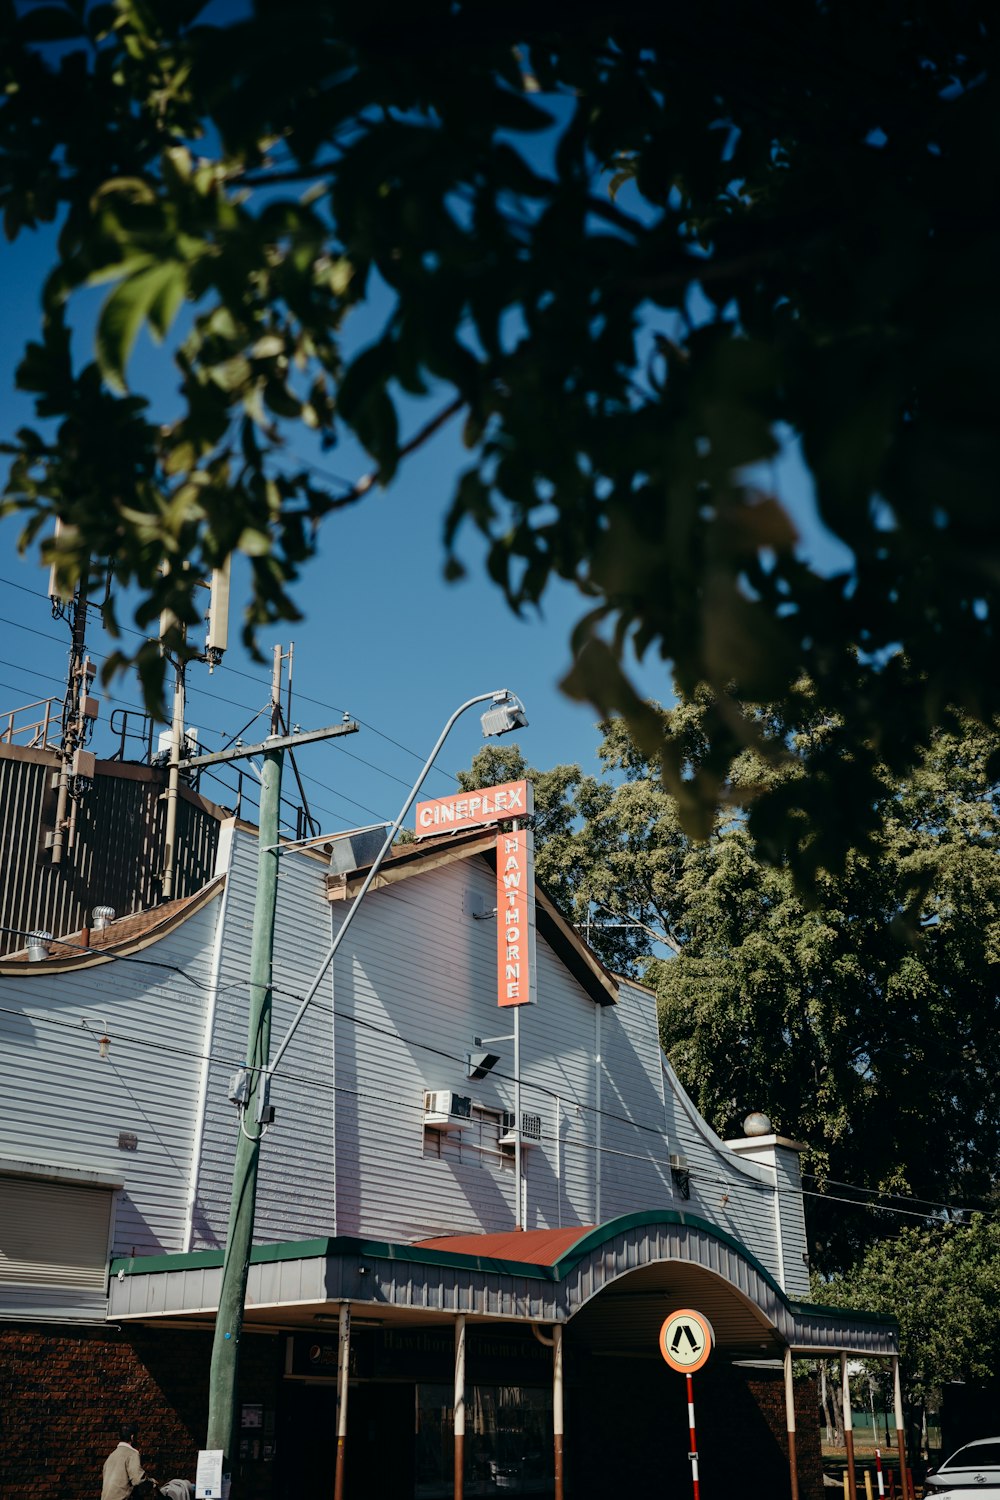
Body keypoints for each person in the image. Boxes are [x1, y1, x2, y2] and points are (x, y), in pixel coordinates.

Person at [102, 1422, 156, 1500]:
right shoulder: (132, 1454)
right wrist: (151, 1482)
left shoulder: (112, 1456)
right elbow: (138, 1479)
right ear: (132, 1437)